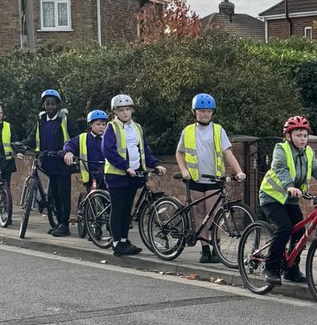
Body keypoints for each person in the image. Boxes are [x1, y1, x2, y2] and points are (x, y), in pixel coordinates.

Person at [258, 115, 317, 286]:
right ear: (289, 136)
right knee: (284, 228)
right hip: (271, 197)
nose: (302, 139)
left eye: (305, 135)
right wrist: (290, 186)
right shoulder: (281, 149)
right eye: (298, 135)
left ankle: (291, 270)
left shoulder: (308, 152)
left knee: (299, 233)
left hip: (290, 199)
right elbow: (281, 169)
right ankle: (270, 268)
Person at [175, 92, 246, 263]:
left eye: (208, 111)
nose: (205, 114)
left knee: (214, 215)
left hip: (214, 179)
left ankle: (217, 249)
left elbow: (227, 153)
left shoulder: (218, 130)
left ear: (212, 112)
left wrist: (239, 171)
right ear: (195, 112)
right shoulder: (188, 131)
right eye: (201, 111)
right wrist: (184, 170)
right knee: (199, 213)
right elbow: (179, 152)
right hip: (195, 180)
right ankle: (205, 249)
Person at [101, 93, 165, 257]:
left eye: (128, 109)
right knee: (118, 210)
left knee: (127, 210)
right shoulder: (112, 127)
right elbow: (108, 151)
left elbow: (144, 150)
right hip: (116, 175)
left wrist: (155, 164)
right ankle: (116, 244)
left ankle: (124, 240)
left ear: (132, 110)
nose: (125, 113)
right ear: (115, 112)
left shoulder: (137, 127)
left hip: (134, 174)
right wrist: (125, 167)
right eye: (121, 110)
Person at [34, 88, 72, 237]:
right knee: (55, 194)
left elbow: (74, 137)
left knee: (64, 195)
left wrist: (67, 150)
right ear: (43, 105)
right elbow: (34, 137)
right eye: (47, 104)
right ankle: (58, 222)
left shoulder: (64, 120)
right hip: (49, 163)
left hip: (62, 164)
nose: (50, 107)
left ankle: (65, 224)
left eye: (53, 104)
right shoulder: (41, 121)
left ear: (58, 105)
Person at [63, 109, 108, 191]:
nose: (101, 126)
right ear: (91, 125)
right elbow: (70, 144)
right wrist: (69, 152)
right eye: (98, 124)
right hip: (89, 175)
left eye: (104, 124)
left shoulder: (109, 138)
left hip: (106, 174)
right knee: (91, 197)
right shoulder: (83, 137)